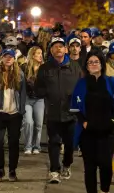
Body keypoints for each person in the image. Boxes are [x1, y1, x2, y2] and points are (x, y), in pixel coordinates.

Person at [71, 50, 114, 193]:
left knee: (105, 163)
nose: (93, 64)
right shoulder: (81, 84)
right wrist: (85, 122)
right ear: (86, 66)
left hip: (108, 130)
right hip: (88, 131)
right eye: (90, 62)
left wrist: (113, 121)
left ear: (102, 64)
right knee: (89, 166)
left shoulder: (110, 82)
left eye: (96, 62)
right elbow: (75, 108)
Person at [35, 36, 83, 184]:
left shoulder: (75, 67)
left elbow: (82, 87)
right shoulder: (45, 68)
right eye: (55, 46)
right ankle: (54, 170)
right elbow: (39, 88)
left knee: (70, 144)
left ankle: (67, 164)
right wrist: (45, 92)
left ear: (65, 49)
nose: (58, 49)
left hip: (71, 113)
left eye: (61, 46)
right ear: (51, 50)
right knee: (54, 142)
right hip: (53, 112)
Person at [0, 49, 27, 182]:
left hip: (15, 114)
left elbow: (23, 93)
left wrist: (21, 110)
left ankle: (12, 170)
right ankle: (0, 169)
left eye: (11, 56)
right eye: (6, 56)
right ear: (2, 58)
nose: (9, 58)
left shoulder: (19, 73)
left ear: (14, 59)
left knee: (13, 143)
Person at [21, 46, 45, 155]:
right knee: (28, 122)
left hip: (40, 99)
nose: (40, 55)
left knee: (38, 124)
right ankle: (28, 146)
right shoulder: (24, 67)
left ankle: (36, 146)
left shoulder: (45, 68)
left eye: (41, 53)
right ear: (32, 55)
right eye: (38, 53)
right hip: (27, 98)